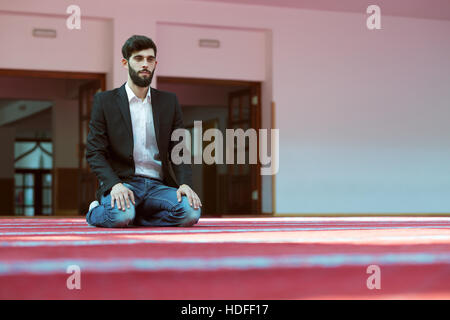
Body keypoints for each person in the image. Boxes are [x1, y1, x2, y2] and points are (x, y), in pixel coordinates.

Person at [85, 35, 201, 228]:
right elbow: (94, 152)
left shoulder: (168, 102)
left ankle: (137, 218)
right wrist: (114, 184)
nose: (145, 64)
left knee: (190, 212)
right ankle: (94, 211)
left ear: (155, 63)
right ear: (125, 63)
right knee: (120, 216)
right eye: (138, 59)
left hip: (158, 185)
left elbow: (179, 151)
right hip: (124, 183)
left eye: (150, 59)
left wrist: (185, 184)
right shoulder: (105, 102)